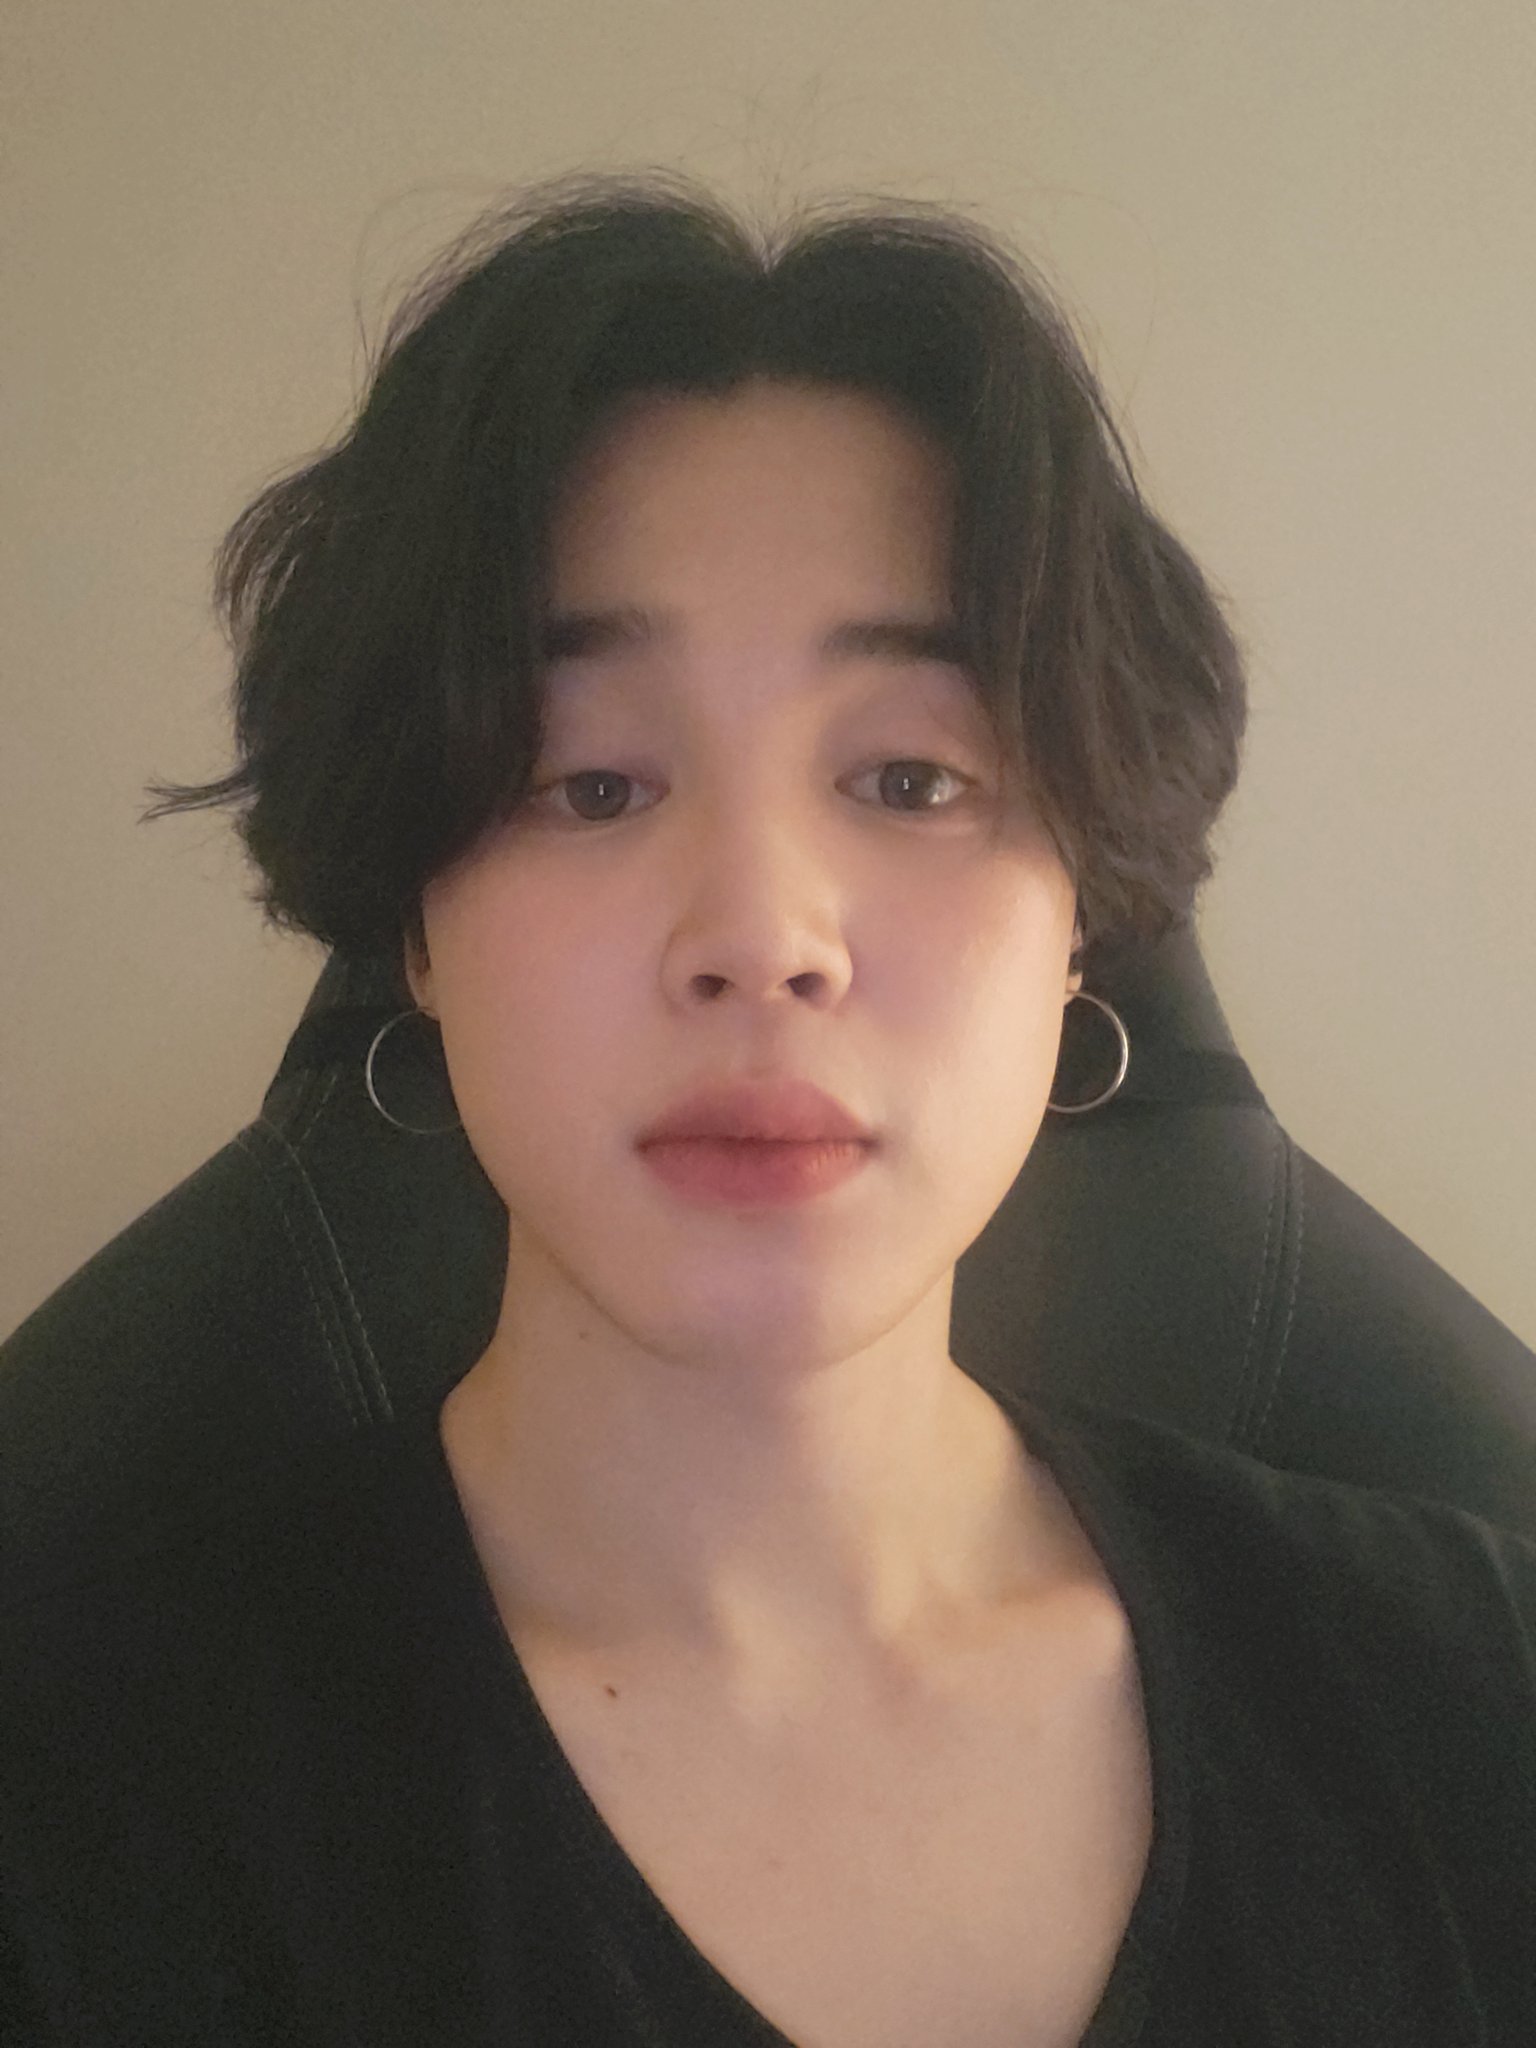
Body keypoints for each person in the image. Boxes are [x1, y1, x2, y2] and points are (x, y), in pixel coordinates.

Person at [3, 167, 1533, 2046]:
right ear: (414, 926)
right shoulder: (84, 1804)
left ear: (1084, 922)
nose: (759, 937)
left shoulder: (1473, 1705)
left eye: (910, 781)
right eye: (591, 786)